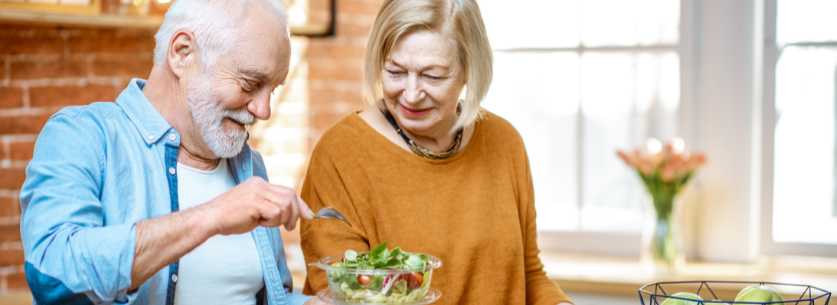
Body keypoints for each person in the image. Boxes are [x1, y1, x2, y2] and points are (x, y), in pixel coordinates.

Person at [19, 1, 318, 304]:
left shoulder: (248, 164)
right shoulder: (83, 135)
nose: (264, 110)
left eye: (273, 90)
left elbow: (268, 296)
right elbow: (52, 277)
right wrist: (212, 215)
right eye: (250, 84)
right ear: (182, 53)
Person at [298, 0, 574, 304]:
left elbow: (529, 274)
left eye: (433, 76)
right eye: (395, 71)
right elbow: (344, 294)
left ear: (470, 70)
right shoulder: (341, 154)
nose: (411, 94)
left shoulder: (504, 142)